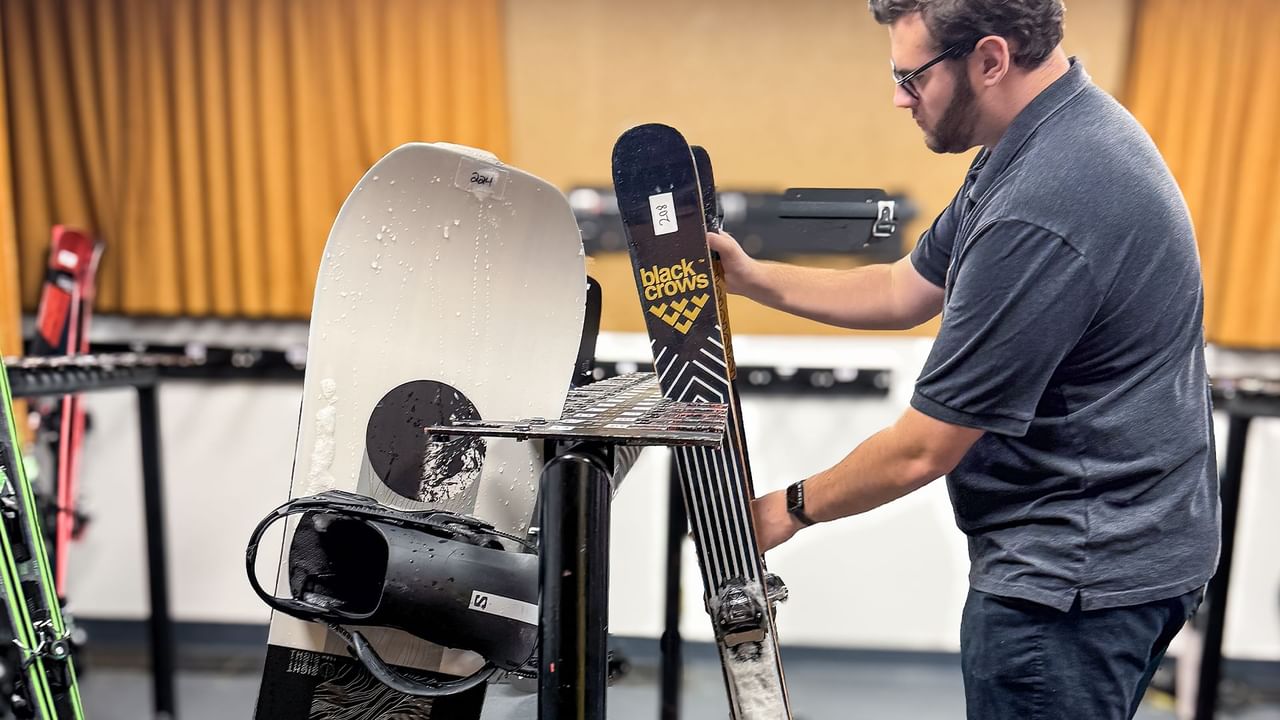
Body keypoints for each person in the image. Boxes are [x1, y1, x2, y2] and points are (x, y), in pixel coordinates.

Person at [708, 1, 1221, 717]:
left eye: (911, 78)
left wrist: (784, 510)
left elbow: (922, 449)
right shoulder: (1044, 138)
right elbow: (901, 289)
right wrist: (752, 277)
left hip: (1070, 583)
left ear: (989, 59)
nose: (897, 98)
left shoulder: (1046, 201)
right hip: (1111, 553)